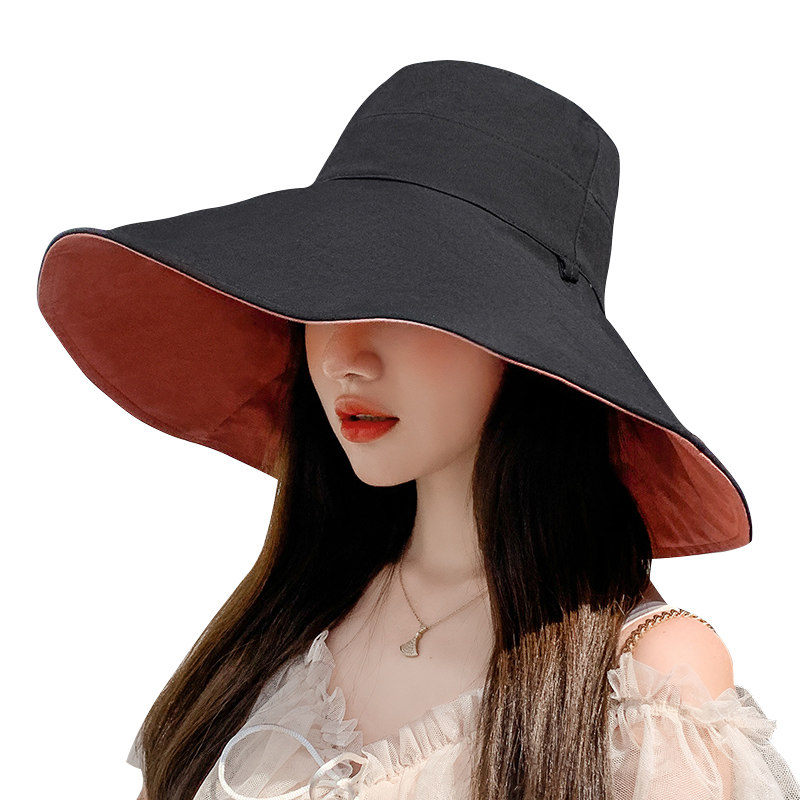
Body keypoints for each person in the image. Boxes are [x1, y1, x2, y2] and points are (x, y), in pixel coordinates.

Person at [36, 60, 799, 800]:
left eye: (404, 304)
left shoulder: (647, 683)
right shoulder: (285, 627)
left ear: (526, 351)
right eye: (321, 296)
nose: (345, 357)